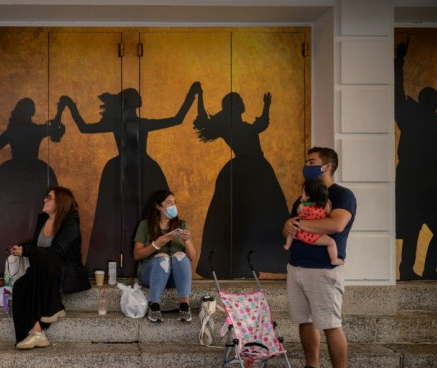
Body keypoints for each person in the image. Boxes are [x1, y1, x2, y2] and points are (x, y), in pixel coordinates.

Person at [59, 83, 200, 276]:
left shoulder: (126, 123)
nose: (139, 100)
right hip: (133, 170)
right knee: (117, 215)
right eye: (136, 97)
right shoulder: (134, 123)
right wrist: (191, 96)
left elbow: (177, 119)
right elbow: (177, 119)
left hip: (132, 170)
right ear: (131, 103)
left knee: (136, 213)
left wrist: (70, 105)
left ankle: (151, 260)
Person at [0, 98, 65, 276]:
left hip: (13, 177)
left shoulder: (13, 131)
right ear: (29, 111)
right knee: (32, 215)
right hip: (32, 175)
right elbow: (55, 128)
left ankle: (21, 260)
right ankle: (22, 261)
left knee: (15, 216)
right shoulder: (35, 130)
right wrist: (61, 109)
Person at [283, 147, 356, 368]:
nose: (307, 165)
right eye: (306, 161)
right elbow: (290, 225)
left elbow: (335, 224)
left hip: (324, 270)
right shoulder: (304, 195)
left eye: (312, 161)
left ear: (327, 166)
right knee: (304, 320)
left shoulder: (342, 195)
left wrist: (299, 224)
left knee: (330, 324)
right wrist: (288, 226)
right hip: (297, 267)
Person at [193, 87, 290, 279]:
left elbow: (261, 124)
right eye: (240, 101)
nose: (244, 104)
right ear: (236, 106)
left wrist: (267, 106)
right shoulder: (232, 127)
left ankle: (248, 262)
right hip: (255, 172)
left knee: (250, 217)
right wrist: (201, 97)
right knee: (248, 217)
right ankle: (240, 263)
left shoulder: (231, 127)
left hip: (243, 171)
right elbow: (203, 119)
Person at [9, 186, 90, 349]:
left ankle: (52, 311)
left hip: (65, 271)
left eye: (49, 197)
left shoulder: (70, 222)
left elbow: (57, 252)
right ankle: (37, 331)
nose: (44, 200)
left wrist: (28, 251)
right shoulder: (43, 219)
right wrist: (21, 247)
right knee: (19, 287)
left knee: (39, 267)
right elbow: (36, 245)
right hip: (43, 270)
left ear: (60, 202)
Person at [394, 38, 437, 280]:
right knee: (412, 229)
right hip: (421, 184)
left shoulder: (415, 118)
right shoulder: (411, 117)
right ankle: (412, 270)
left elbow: (396, 92)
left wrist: (399, 62)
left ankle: (419, 270)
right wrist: (398, 62)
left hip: (428, 184)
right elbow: (396, 93)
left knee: (418, 230)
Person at [133, 190, 197, 322]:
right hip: (150, 275)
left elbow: (192, 256)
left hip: (175, 278)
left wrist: (187, 241)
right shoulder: (145, 225)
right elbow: (137, 255)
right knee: (163, 257)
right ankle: (154, 305)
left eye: (174, 202)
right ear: (159, 207)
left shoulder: (182, 225)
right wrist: (155, 245)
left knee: (180, 255)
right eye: (169, 202)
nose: (173, 205)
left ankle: (184, 305)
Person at [284, 178, 344, 266]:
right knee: (331, 242)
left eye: (303, 193)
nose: (302, 195)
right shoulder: (325, 205)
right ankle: (334, 259)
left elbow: (299, 213)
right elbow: (328, 214)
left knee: (292, 231)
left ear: (309, 196)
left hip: (302, 234)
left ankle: (287, 245)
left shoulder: (302, 206)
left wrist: (302, 204)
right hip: (315, 236)